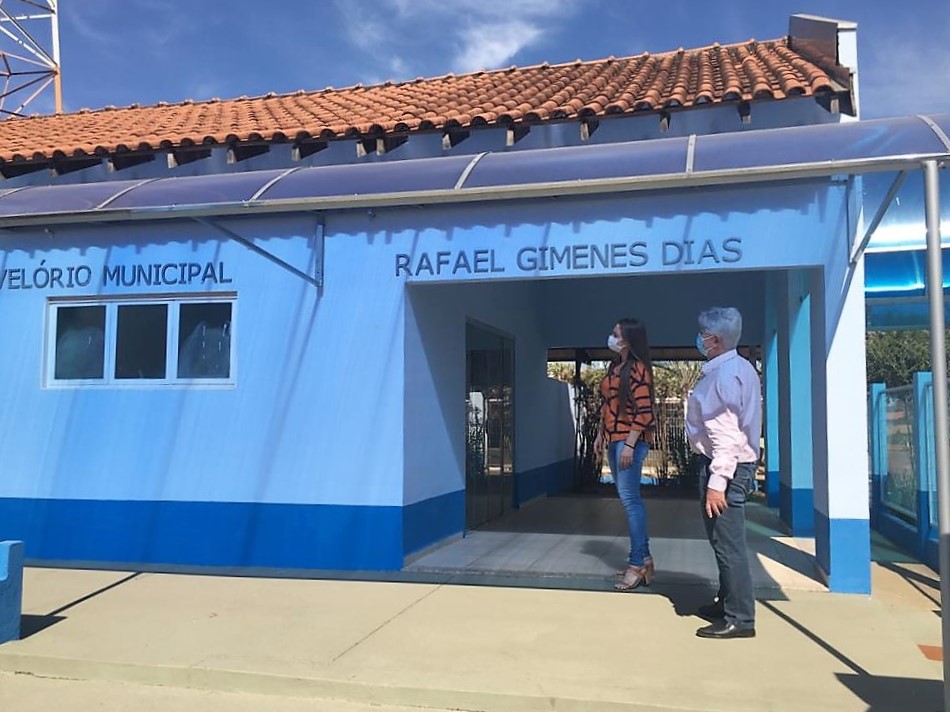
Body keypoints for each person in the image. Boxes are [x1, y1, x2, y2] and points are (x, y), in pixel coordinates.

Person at [686, 307, 762, 639]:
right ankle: (727, 600)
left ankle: (741, 618)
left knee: (729, 544)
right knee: (722, 541)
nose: (699, 339)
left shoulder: (723, 376)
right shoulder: (739, 368)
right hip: (729, 465)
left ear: (714, 340)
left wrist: (717, 483)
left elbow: (727, 436)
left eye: (702, 334)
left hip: (725, 468)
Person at [595, 318, 657, 592]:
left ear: (628, 339)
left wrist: (630, 444)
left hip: (628, 440)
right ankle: (643, 559)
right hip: (614, 438)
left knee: (631, 501)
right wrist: (600, 433)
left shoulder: (638, 370)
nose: (612, 337)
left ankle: (637, 564)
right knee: (628, 500)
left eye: (616, 334)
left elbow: (645, 413)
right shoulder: (614, 367)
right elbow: (609, 404)